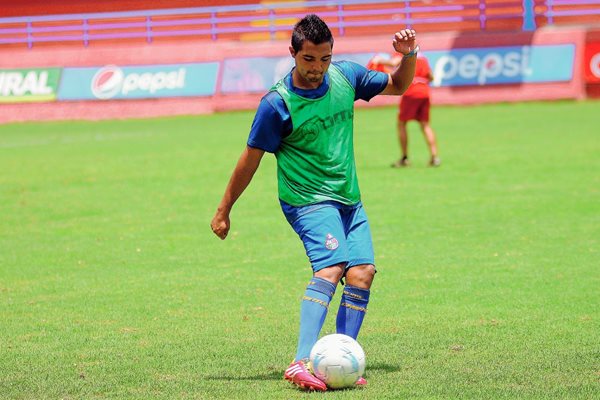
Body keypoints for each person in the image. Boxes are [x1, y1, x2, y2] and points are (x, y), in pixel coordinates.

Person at [210, 14, 418, 391]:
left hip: (349, 200)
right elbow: (250, 158)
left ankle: (341, 360)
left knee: (362, 273)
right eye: (308, 60)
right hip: (306, 200)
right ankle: (299, 361)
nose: (317, 68)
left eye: (324, 59)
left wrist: (409, 54)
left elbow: (400, 85)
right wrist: (224, 209)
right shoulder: (277, 104)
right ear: (292, 53)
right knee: (333, 265)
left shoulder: (346, 76)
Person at [368, 53, 440, 167]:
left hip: (411, 91)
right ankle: (435, 157)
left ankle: (404, 157)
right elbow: (431, 77)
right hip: (425, 92)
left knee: (401, 124)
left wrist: (379, 60)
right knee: (425, 125)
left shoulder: (405, 54)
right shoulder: (423, 58)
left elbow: (394, 63)